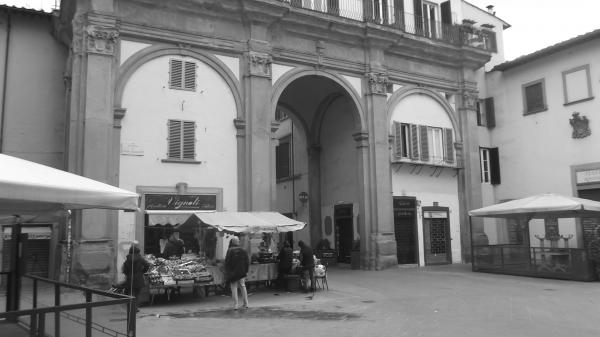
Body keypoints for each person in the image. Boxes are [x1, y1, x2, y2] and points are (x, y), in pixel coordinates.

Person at [224, 236, 249, 310]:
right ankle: (246, 303)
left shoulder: (230, 250)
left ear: (232, 242)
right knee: (242, 286)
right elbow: (247, 262)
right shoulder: (243, 250)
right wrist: (246, 271)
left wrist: (227, 271)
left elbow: (227, 262)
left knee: (234, 287)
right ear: (238, 242)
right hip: (241, 272)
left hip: (233, 272)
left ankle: (236, 305)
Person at [122, 245, 150, 310]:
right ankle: (135, 307)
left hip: (130, 279)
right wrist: (142, 271)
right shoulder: (140, 259)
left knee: (130, 293)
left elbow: (125, 270)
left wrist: (128, 274)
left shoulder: (127, 260)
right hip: (138, 279)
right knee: (136, 294)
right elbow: (147, 265)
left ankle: (131, 308)